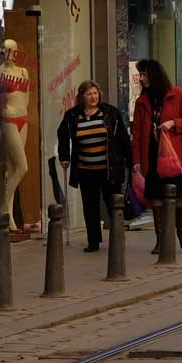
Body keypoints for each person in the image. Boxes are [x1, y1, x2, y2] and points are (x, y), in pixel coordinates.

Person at [131, 58, 182, 252]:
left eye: (144, 74)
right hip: (151, 154)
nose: (141, 79)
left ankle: (181, 232)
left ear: (154, 75)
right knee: (157, 199)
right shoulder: (142, 101)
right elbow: (136, 134)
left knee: (178, 198)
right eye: (140, 75)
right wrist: (136, 161)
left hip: (174, 155)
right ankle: (160, 238)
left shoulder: (176, 94)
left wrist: (173, 124)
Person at [57, 81, 131, 253]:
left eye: (95, 93)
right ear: (82, 96)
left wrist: (131, 160)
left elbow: (122, 137)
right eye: (89, 94)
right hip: (85, 169)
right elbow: (62, 134)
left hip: (108, 169)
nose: (93, 97)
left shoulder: (110, 112)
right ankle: (93, 241)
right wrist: (64, 157)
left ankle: (118, 237)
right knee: (90, 206)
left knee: (113, 203)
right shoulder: (73, 115)